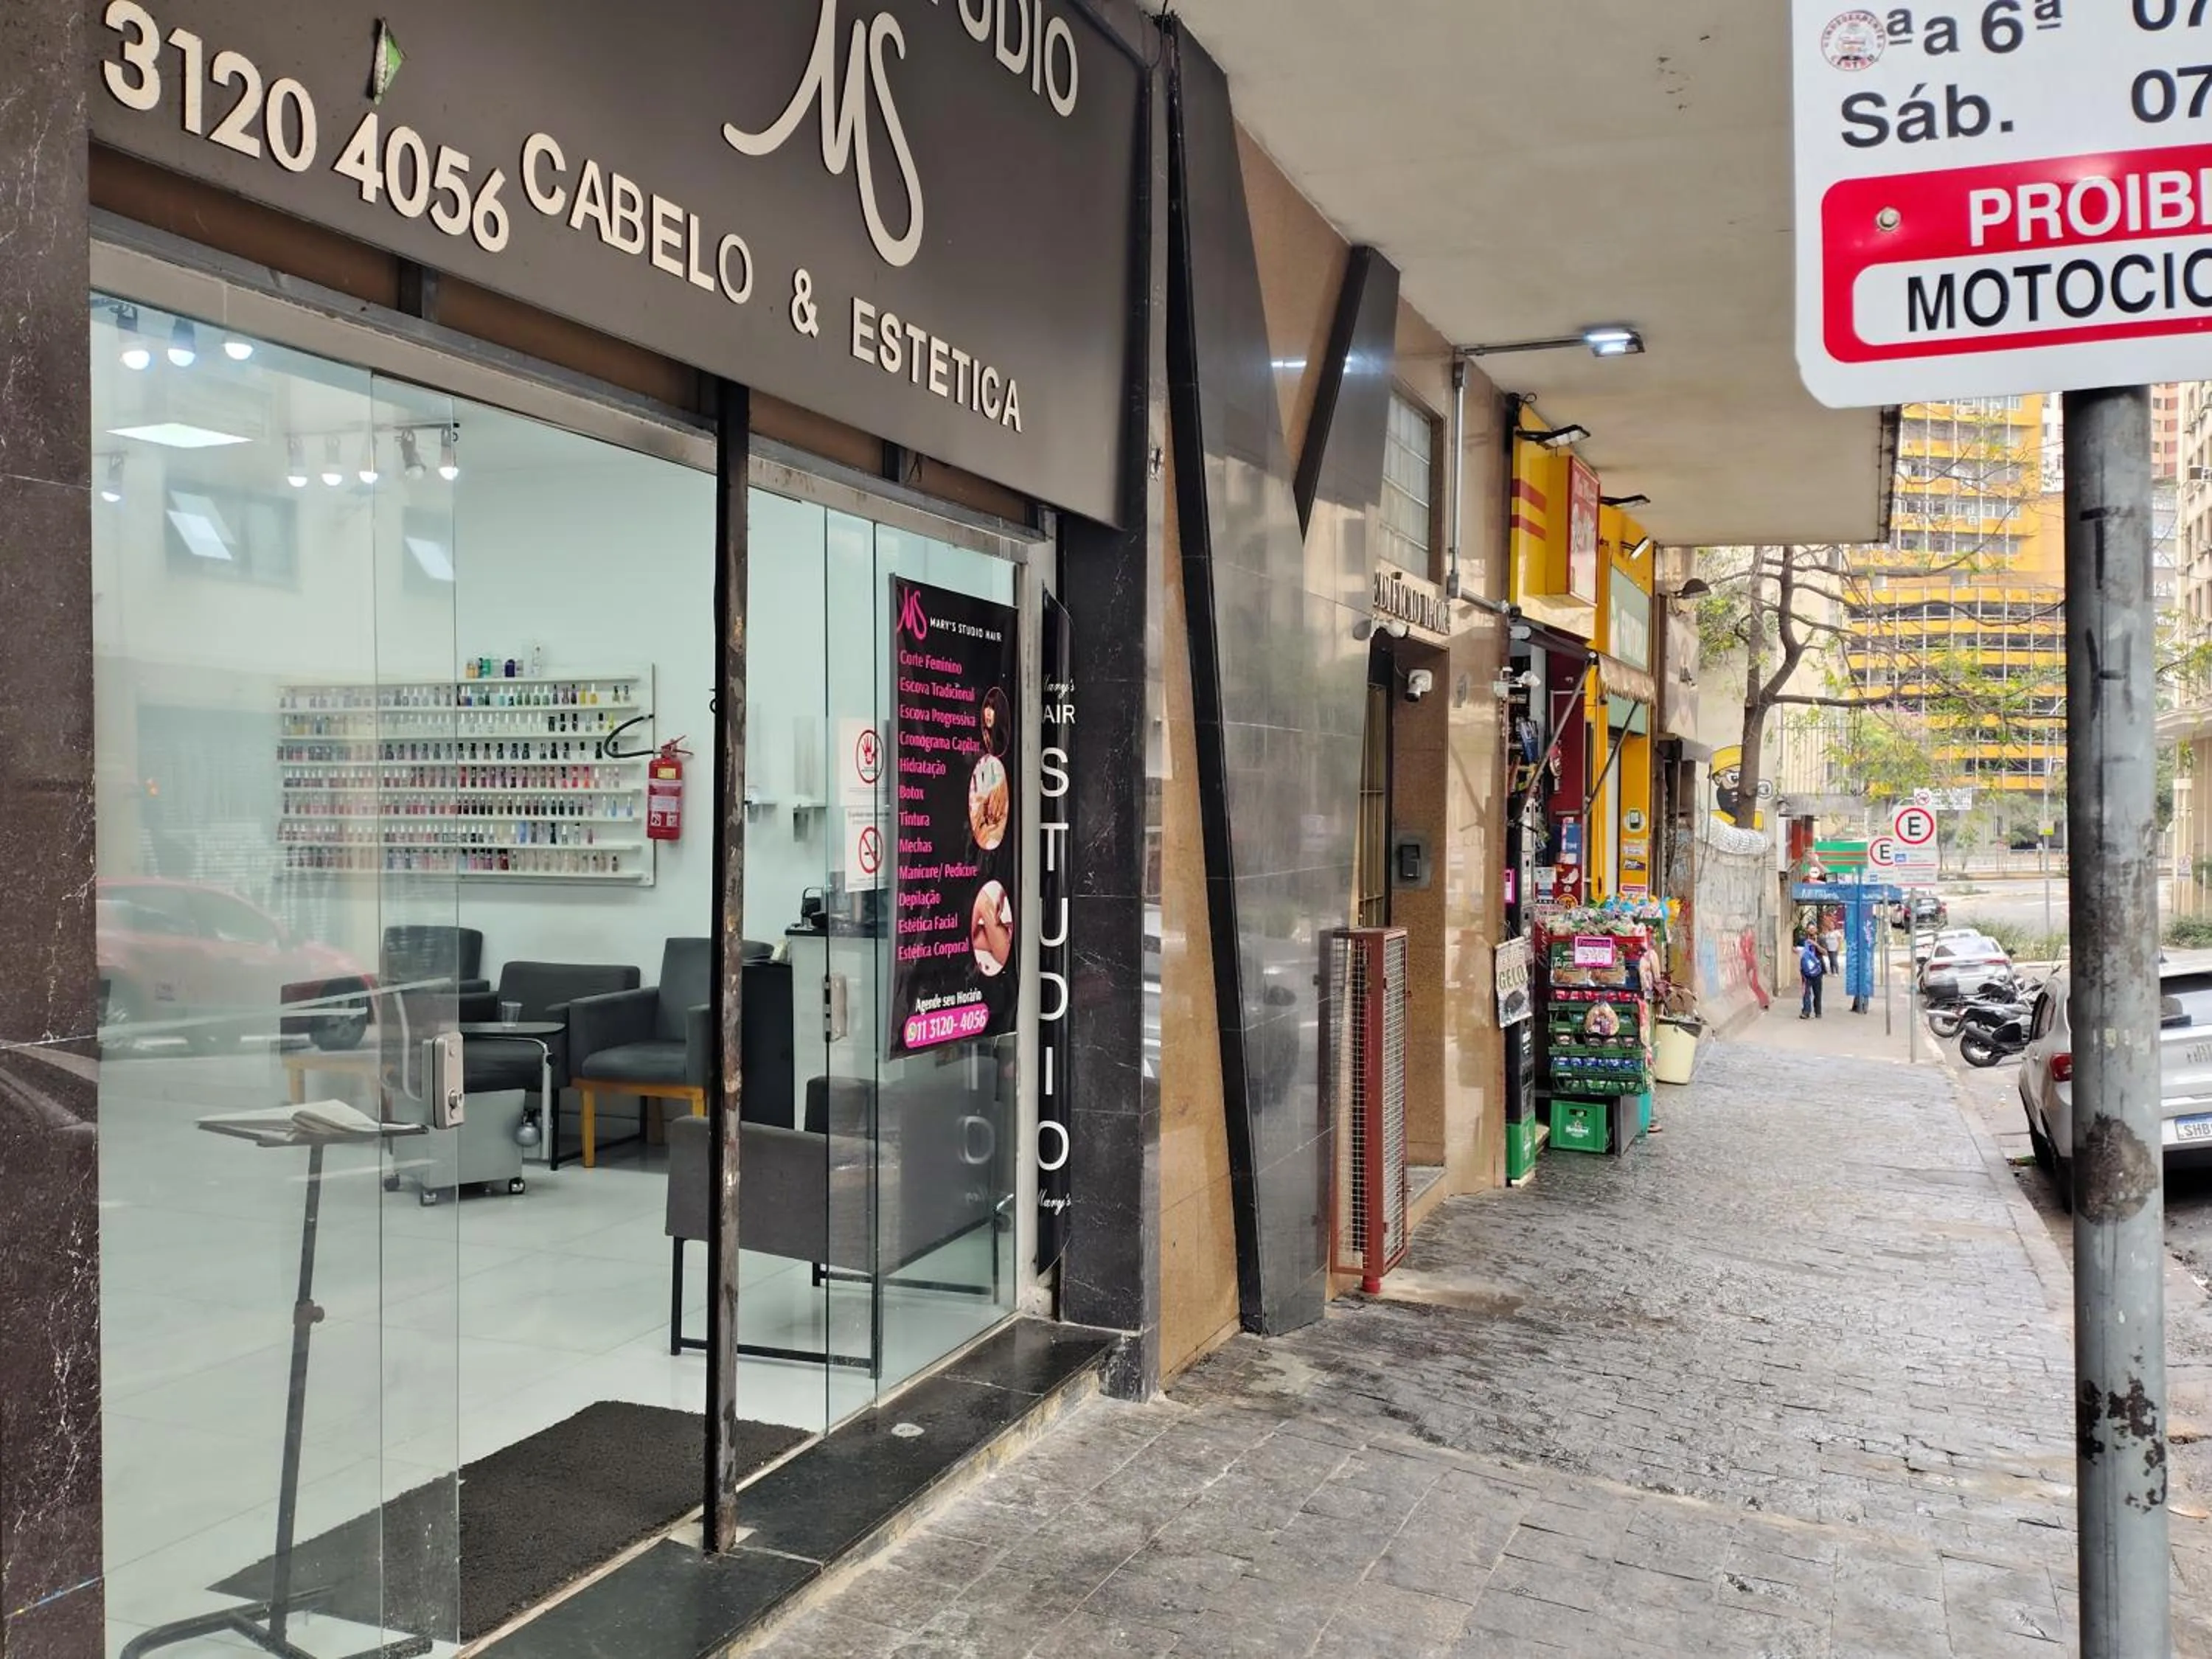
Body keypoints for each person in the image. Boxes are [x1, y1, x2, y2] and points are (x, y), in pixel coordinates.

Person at [1798, 934, 1826, 1020]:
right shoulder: (1803, 939)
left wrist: (1816, 944)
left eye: (1813, 928)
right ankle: (1806, 1012)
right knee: (1806, 992)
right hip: (1806, 972)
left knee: (1817, 992)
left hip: (1818, 971)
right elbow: (1797, 950)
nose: (1811, 930)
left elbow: (1825, 952)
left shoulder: (1820, 939)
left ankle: (1818, 1012)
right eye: (1809, 928)